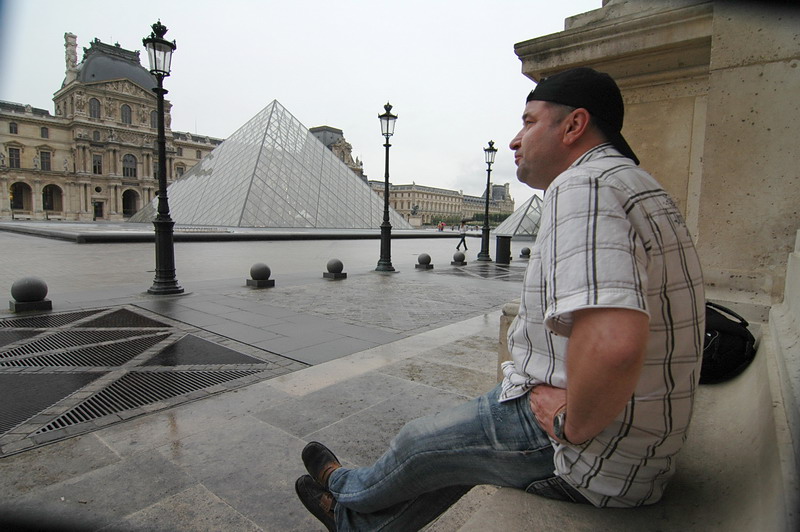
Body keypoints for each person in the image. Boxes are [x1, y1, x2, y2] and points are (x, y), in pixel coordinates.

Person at [294, 67, 705, 531]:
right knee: (452, 457)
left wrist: (570, 425)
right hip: (640, 446)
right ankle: (356, 524)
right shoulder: (634, 182)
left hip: (592, 453)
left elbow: (614, 344)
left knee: (418, 444)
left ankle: (345, 488)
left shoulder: (583, 186)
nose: (514, 139)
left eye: (529, 122)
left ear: (574, 126)